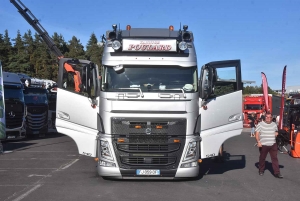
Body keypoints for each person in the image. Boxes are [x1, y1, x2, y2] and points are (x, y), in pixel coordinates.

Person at [255, 112, 283, 178]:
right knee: (262, 158)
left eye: (270, 117)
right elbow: (257, 134)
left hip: (273, 144)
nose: (268, 118)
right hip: (263, 145)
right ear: (265, 117)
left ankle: (277, 173)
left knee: (274, 158)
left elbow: (276, 132)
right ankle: (261, 170)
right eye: (267, 117)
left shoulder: (274, 124)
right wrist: (258, 142)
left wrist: (277, 134)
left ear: (272, 118)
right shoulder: (260, 124)